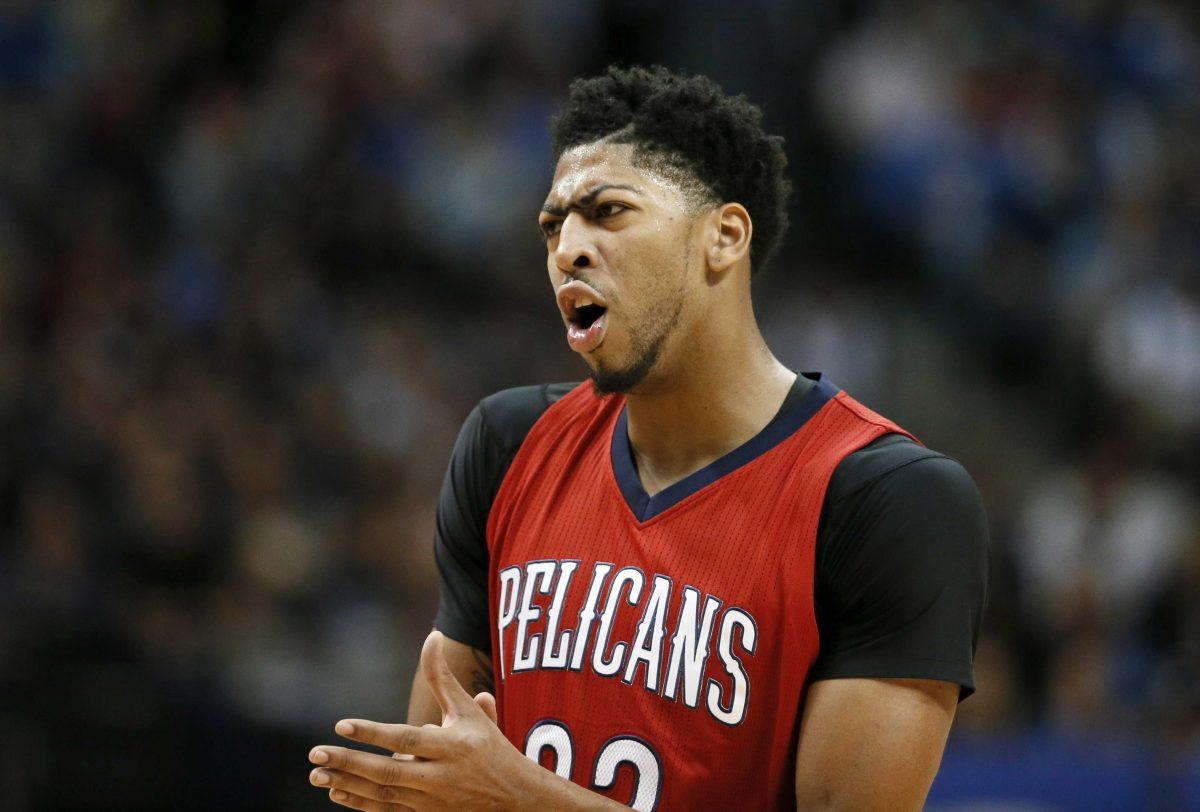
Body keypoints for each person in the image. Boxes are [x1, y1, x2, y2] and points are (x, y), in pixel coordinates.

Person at [308, 65, 988, 811]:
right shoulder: (506, 444)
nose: (567, 247)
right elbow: (436, 783)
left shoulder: (887, 499)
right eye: (552, 225)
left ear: (722, 237)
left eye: (607, 211)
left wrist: (529, 802)